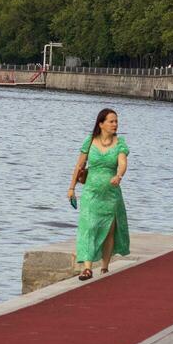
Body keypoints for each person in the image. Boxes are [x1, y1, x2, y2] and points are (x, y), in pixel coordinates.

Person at [67, 107, 130, 281]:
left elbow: (123, 163)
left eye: (116, 121)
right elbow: (79, 166)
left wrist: (118, 175)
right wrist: (71, 188)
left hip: (111, 194)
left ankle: (104, 267)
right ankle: (87, 268)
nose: (115, 124)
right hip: (90, 192)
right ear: (101, 124)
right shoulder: (89, 141)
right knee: (88, 227)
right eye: (111, 121)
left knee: (108, 230)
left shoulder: (120, 143)